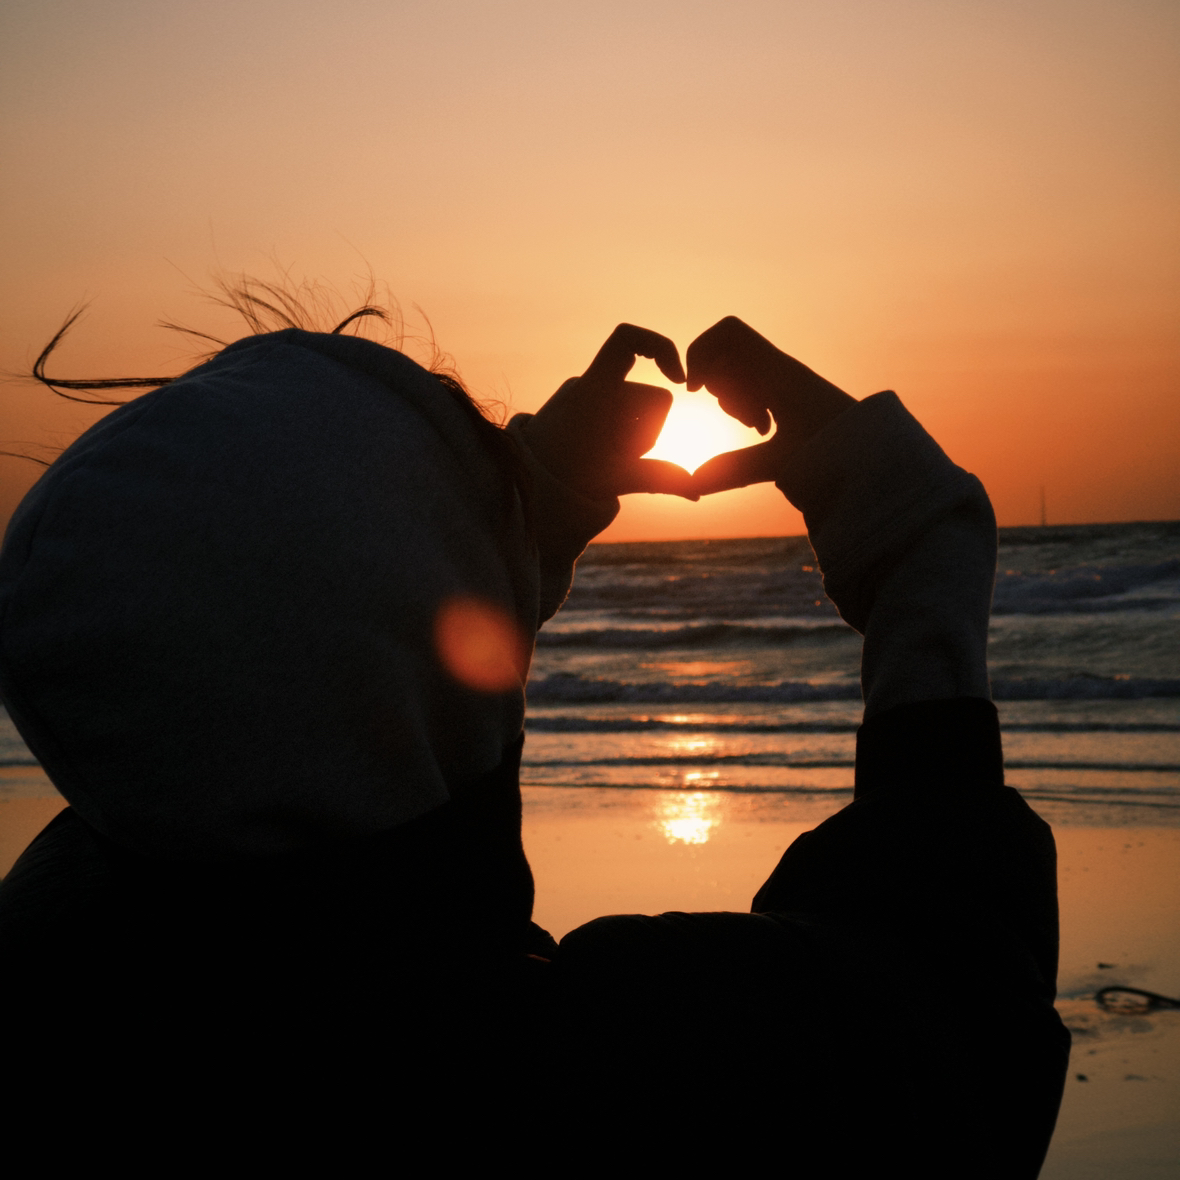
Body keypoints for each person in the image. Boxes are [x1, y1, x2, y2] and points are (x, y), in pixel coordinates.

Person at [0, 304, 1068, 1172]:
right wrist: (914, 546)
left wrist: (520, 520)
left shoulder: (77, 963)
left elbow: (315, 657)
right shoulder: (573, 1073)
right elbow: (954, 1017)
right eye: (471, 464)